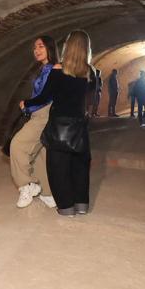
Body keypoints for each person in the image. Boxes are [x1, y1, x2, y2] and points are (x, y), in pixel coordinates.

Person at [21, 30, 96, 216]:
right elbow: (91, 96)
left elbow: (45, 96)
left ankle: (66, 208)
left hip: (59, 126)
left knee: (58, 168)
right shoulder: (90, 73)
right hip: (79, 126)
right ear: (86, 48)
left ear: (67, 47)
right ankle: (82, 205)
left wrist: (26, 103)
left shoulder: (57, 70)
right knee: (80, 167)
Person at [9, 36, 59, 209]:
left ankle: (27, 185)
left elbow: (46, 96)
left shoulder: (54, 68)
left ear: (50, 48)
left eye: (40, 46)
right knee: (40, 155)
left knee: (17, 145)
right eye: (34, 48)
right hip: (38, 113)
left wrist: (27, 103)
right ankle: (47, 193)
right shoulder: (43, 68)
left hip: (45, 114)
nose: (36, 50)